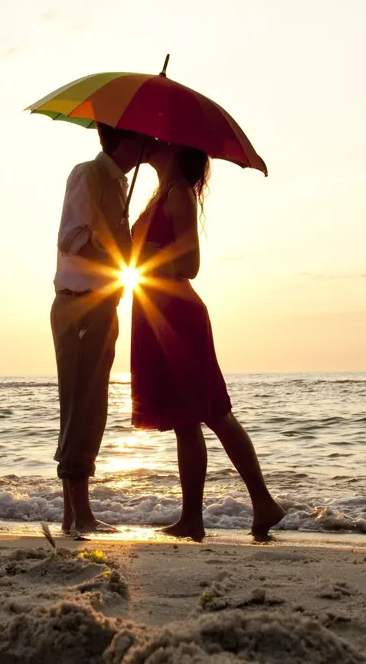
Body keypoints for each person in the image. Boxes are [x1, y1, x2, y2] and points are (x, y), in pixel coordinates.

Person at [130, 142, 286, 541]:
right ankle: (192, 519)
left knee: (213, 411)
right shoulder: (161, 193)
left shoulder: (179, 191)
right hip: (157, 312)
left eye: (159, 140)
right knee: (185, 420)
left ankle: (263, 502)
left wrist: (145, 253)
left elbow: (191, 265)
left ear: (174, 149)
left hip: (178, 314)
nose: (150, 142)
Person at [51, 123, 151, 534]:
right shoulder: (88, 174)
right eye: (143, 138)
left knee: (91, 408)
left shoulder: (118, 184)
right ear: (126, 140)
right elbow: (70, 237)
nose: (150, 145)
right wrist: (113, 255)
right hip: (79, 304)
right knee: (81, 406)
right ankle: (80, 515)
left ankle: (75, 516)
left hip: (102, 304)